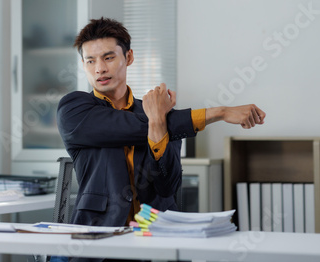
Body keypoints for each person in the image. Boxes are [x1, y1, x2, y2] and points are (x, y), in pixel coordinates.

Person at [56, 17, 266, 231]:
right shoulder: (75, 109)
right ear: (83, 65)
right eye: (90, 61)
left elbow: (167, 187)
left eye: (108, 57)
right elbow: (124, 125)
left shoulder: (161, 115)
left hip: (155, 234)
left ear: (129, 57)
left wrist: (158, 120)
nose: (99, 68)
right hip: (98, 235)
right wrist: (219, 112)